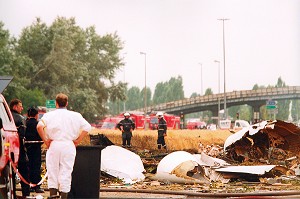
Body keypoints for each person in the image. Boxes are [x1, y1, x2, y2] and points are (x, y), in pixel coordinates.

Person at [37, 93, 91, 199]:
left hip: (54, 144)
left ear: (56, 103)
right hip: (68, 145)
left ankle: (53, 195)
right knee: (66, 171)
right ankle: (64, 197)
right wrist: (78, 140)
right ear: (67, 103)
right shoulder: (76, 115)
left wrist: (46, 141)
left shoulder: (49, 115)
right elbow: (87, 127)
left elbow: (39, 126)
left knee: (52, 171)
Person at [9, 99, 30, 198]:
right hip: (20, 150)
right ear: (15, 107)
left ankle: (11, 192)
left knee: (10, 173)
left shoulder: (7, 118)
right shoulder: (20, 118)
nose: (22, 108)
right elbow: (23, 135)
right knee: (24, 172)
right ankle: (26, 193)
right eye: (20, 106)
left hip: (7, 151)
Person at [25, 106, 44, 193]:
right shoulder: (38, 124)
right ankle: (36, 186)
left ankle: (28, 185)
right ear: (36, 115)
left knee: (28, 166)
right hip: (36, 148)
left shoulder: (25, 123)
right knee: (36, 167)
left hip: (26, 148)